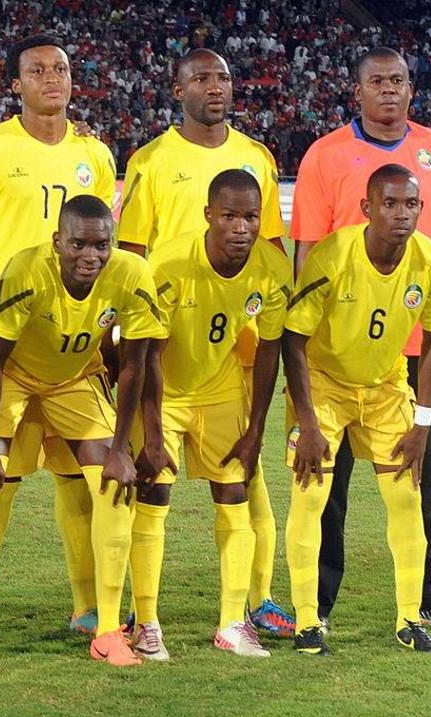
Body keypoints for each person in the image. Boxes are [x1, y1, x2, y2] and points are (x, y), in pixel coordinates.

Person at [291, 47, 431, 633]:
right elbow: (307, 247)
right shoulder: (325, 155)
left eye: (398, 80)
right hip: (338, 345)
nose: (389, 89)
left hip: (417, 339)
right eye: (377, 81)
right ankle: (317, 607)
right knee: (328, 479)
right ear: (358, 91)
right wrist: (306, 328)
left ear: (411, 89)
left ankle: (428, 602)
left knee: (422, 470)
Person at [115, 48, 297, 648]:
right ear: (179, 89)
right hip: (164, 338)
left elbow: (270, 249)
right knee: (152, 484)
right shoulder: (151, 160)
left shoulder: (257, 157)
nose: (214, 87)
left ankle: (252, 605)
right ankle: (141, 615)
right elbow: (131, 253)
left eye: (222, 76)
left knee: (246, 480)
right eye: (200, 78)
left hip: (232, 350)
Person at [0, 34, 118, 646]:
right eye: (38, 70)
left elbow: (106, 245)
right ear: (15, 83)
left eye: (62, 68)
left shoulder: (95, 154)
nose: (53, 78)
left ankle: (90, 609)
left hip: (75, 345)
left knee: (81, 480)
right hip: (5, 346)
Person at [0, 196, 162, 671]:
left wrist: (122, 449)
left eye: (101, 245)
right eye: (79, 244)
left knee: (114, 487)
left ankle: (107, 630)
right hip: (10, 376)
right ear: (57, 242)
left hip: (73, 379)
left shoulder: (131, 274)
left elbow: (134, 366)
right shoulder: (26, 270)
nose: (91, 256)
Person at [283, 164, 431, 655]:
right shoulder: (332, 256)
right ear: (367, 208)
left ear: (421, 209)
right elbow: (293, 341)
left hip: (385, 388)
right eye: (390, 203)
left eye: (411, 205)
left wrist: (423, 423)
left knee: (406, 498)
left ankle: (409, 620)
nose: (401, 214)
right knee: (311, 497)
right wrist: (307, 422)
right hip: (324, 386)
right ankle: (307, 621)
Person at [138, 170, 291, 661]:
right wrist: (152, 431)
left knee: (234, 496)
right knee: (154, 496)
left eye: (251, 217)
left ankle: (231, 624)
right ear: (209, 215)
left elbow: (270, 348)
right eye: (229, 216)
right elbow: (147, 353)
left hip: (221, 390)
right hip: (164, 392)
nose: (241, 228)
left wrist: (256, 428)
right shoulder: (169, 264)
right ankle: (146, 623)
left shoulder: (272, 268)